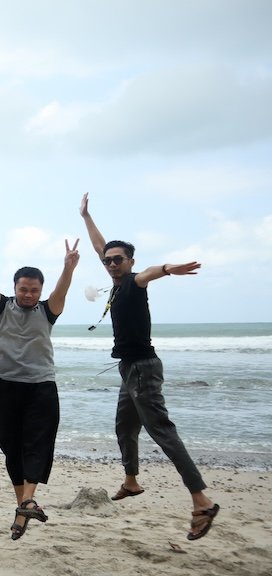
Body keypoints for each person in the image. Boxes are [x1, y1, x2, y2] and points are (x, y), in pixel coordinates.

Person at [80, 192, 219, 541]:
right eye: (108, 260)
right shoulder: (114, 280)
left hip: (143, 368)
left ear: (130, 262)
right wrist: (85, 216)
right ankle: (131, 481)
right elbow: (100, 246)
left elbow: (151, 273)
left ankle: (201, 501)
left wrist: (169, 268)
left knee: (162, 431)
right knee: (124, 428)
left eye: (118, 260)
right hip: (129, 369)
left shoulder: (133, 282)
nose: (111, 264)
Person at [0, 228, 79, 540]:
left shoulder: (48, 310)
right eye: (23, 289)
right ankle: (24, 506)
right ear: (15, 288)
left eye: (34, 290)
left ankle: (27, 503)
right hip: (6, 387)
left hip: (41, 388)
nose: (28, 294)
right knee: (11, 449)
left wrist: (68, 268)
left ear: (40, 291)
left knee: (36, 444)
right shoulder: (1, 307)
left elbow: (61, 292)